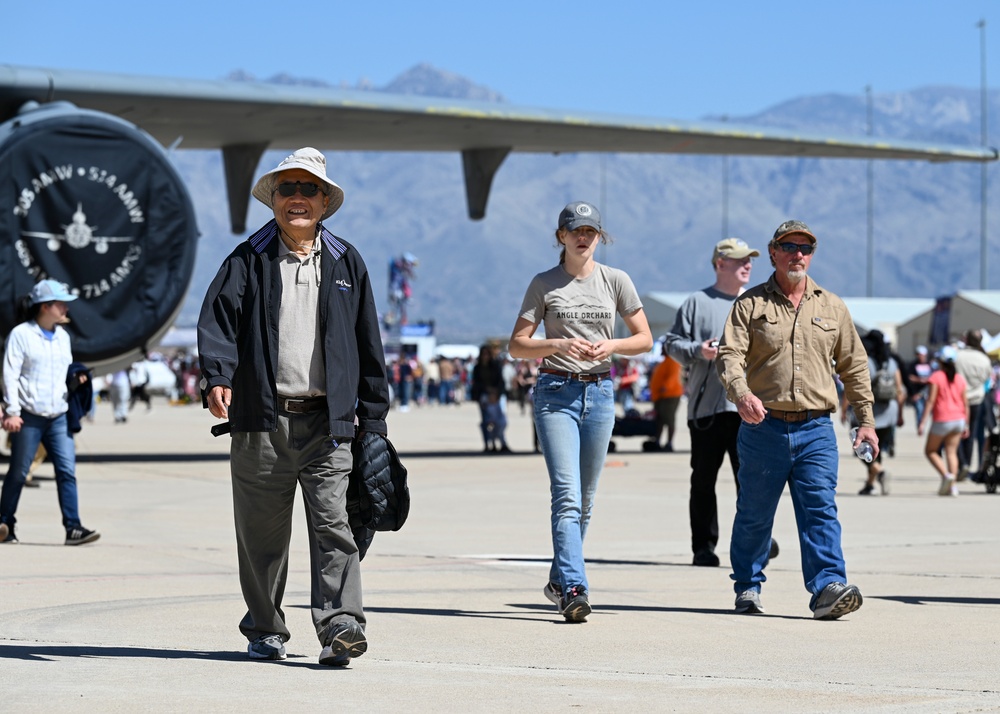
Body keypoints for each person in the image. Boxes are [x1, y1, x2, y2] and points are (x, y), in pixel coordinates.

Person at [198, 148, 390, 666]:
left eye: (309, 190)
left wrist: (373, 423)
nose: (298, 199)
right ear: (274, 200)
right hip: (261, 420)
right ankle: (265, 627)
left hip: (329, 424)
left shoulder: (348, 262)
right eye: (288, 189)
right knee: (261, 537)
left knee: (334, 525)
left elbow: (369, 346)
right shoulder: (247, 259)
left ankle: (340, 625)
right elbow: (217, 324)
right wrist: (216, 376)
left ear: (325, 202)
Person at [717, 220, 874, 620]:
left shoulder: (832, 306)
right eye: (789, 246)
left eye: (805, 247)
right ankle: (748, 585)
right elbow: (729, 356)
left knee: (820, 508)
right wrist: (742, 393)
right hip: (763, 426)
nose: (797, 254)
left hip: (817, 428)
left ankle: (827, 588)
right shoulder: (750, 304)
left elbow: (854, 366)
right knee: (754, 512)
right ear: (773, 251)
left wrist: (866, 422)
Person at [508, 200, 652, 622]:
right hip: (556, 392)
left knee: (586, 500)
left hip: (601, 393)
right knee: (567, 494)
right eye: (575, 231)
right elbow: (517, 345)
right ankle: (574, 587)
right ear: (561, 237)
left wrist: (612, 346)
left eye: (590, 231)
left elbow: (643, 338)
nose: (583, 237)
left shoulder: (616, 280)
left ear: (599, 237)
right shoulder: (544, 283)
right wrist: (555, 344)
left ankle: (558, 578)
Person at [666, 237, 780, 568]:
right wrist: (697, 352)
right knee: (703, 481)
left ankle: (756, 539)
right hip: (708, 410)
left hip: (752, 409)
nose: (748, 265)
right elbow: (671, 344)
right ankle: (704, 547)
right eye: (740, 259)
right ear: (720, 264)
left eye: (750, 260)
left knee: (755, 482)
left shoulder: (761, 302)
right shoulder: (696, 303)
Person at [0, 279, 100, 546]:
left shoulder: (63, 338)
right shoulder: (21, 335)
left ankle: (73, 527)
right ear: (45, 306)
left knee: (67, 471)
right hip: (29, 415)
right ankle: (5, 523)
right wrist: (11, 411)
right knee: (19, 472)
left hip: (58, 415)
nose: (66, 308)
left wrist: (75, 381)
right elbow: (10, 375)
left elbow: (60, 375)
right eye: (61, 303)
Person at [843, 330, 905, 496]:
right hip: (889, 411)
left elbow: (855, 388)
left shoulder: (865, 362)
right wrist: (900, 414)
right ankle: (870, 485)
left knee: (862, 450)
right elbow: (900, 391)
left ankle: (880, 471)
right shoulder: (892, 362)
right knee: (877, 450)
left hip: (870, 412)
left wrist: (843, 410)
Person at [917, 345, 969, 496]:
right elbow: (965, 403)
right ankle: (953, 487)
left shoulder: (936, 377)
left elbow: (930, 401)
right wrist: (966, 423)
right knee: (951, 452)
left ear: (940, 360)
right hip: (959, 418)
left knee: (930, 451)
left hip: (942, 419)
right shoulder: (960, 378)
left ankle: (946, 475)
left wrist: (922, 422)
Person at [955, 330, 992, 480]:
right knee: (971, 434)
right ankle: (967, 465)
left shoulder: (959, 356)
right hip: (977, 399)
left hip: (959, 399)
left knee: (955, 434)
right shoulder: (984, 359)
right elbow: (987, 379)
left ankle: (962, 463)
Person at [471, 344, 509, 453]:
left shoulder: (496, 365)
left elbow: (500, 381)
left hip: (496, 395)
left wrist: (497, 393)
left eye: (487, 354)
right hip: (483, 395)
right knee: (486, 421)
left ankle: (501, 442)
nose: (485, 356)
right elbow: (476, 383)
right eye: (484, 354)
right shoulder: (477, 368)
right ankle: (488, 443)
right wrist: (486, 390)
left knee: (500, 421)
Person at [647, 344, 683, 452]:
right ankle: (657, 441)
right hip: (661, 396)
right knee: (660, 420)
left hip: (669, 396)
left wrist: (664, 388)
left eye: (664, 348)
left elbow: (672, 377)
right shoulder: (665, 361)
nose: (661, 349)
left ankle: (669, 443)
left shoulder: (673, 361)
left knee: (669, 419)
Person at [906, 345, 933, 428]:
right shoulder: (913, 365)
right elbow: (909, 377)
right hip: (917, 392)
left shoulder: (930, 364)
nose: (920, 356)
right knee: (919, 409)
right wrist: (920, 380)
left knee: (927, 410)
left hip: (928, 392)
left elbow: (934, 377)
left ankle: (924, 425)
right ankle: (920, 426)